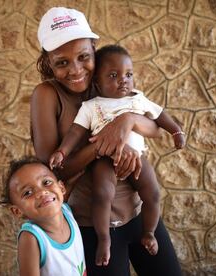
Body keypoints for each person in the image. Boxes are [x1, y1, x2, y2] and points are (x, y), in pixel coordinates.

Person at [31, 6, 182, 275]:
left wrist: (127, 122)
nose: (76, 69)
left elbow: (155, 129)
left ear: (94, 50)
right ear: (48, 63)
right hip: (92, 223)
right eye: (62, 62)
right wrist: (103, 145)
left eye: (83, 57)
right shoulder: (47, 94)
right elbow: (53, 173)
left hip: (136, 211)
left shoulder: (108, 80)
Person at [5, 156, 87, 276]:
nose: (42, 192)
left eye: (46, 182)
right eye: (28, 192)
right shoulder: (31, 238)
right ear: (17, 211)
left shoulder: (66, 211)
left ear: (61, 187)